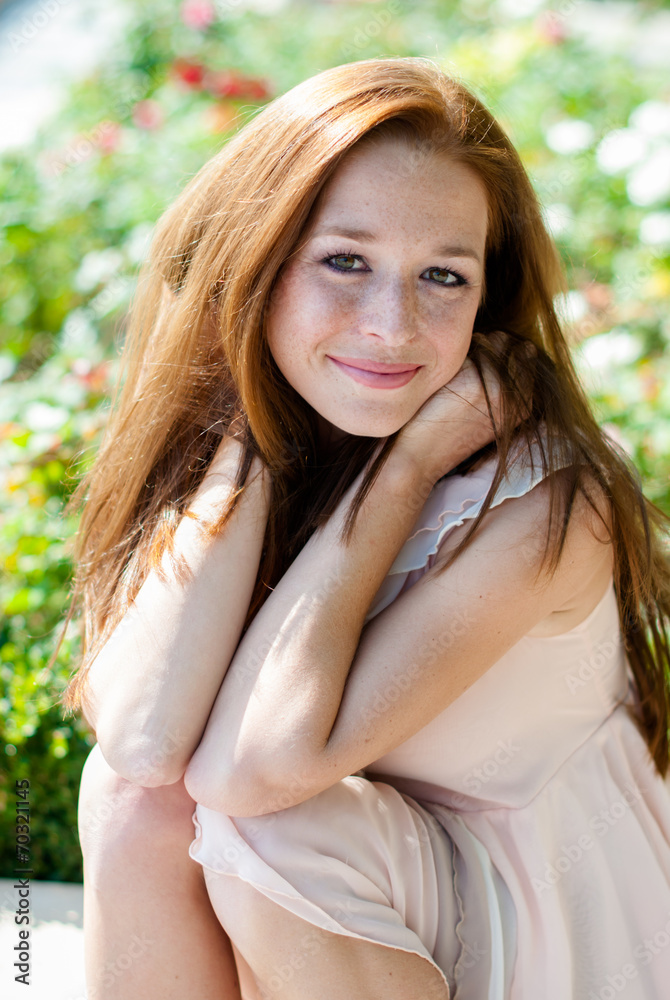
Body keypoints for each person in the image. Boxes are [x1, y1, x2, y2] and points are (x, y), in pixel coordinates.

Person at [62, 56, 670, 999]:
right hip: (366, 889)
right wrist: (255, 431)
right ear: (254, 268)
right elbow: (142, 745)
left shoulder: (550, 509)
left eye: (443, 277)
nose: (392, 326)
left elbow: (255, 773)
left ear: (488, 297)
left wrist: (409, 470)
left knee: (268, 826)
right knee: (134, 803)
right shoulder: (271, 432)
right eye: (344, 261)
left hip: (544, 915)